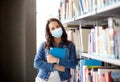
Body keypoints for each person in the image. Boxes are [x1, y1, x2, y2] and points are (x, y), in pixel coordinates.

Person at [34, 18, 77, 82]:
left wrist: (57, 60)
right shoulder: (44, 45)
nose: (56, 29)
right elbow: (37, 63)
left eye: (57, 26)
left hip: (62, 79)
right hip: (43, 79)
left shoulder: (70, 45)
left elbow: (73, 64)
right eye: (52, 29)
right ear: (49, 32)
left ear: (61, 27)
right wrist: (55, 66)